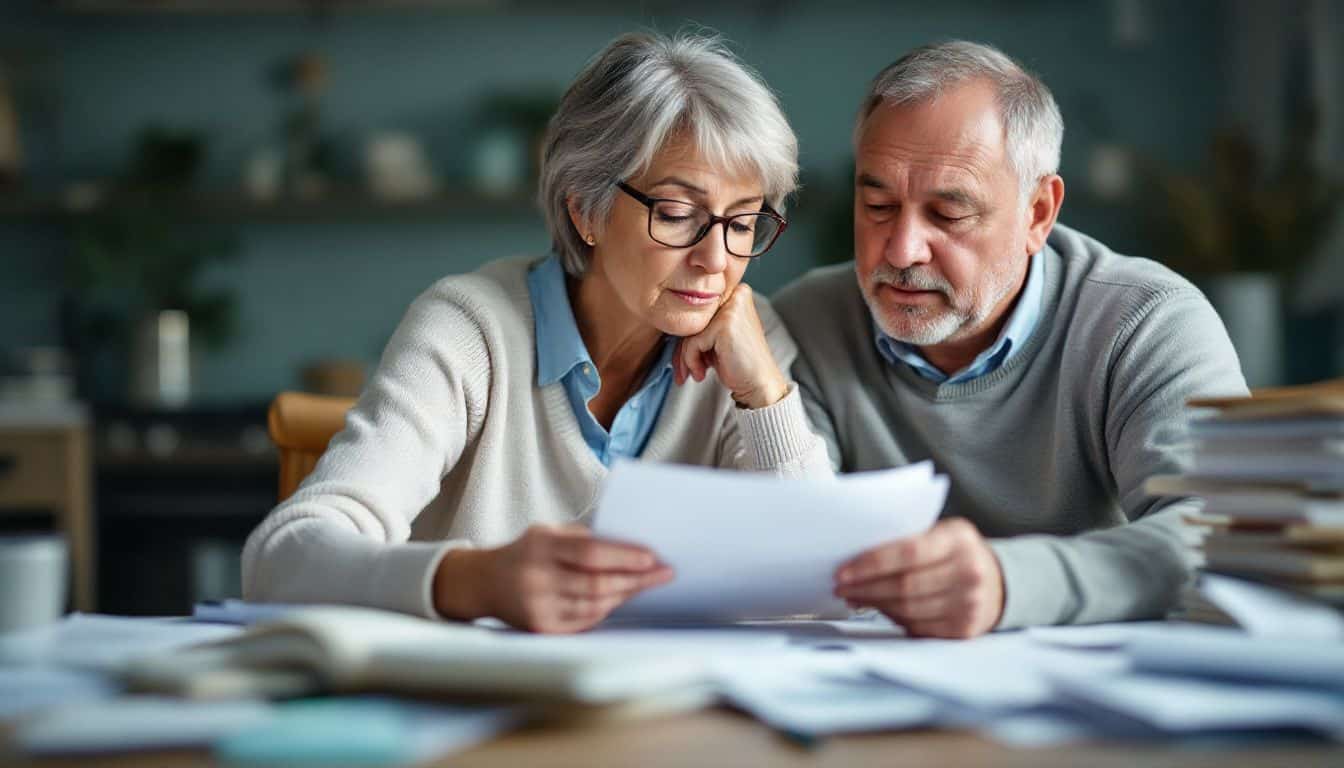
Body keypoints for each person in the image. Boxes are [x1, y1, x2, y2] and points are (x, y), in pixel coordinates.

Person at [243, 32, 830, 634]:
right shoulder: (468, 331)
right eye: (678, 214)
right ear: (586, 211)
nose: (718, 259)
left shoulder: (751, 345)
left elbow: (816, 584)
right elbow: (283, 559)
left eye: (744, 222)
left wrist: (766, 396)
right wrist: (476, 581)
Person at [773, 41, 1248, 638]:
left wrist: (1010, 584)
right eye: (878, 205)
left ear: (1037, 214)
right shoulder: (808, 323)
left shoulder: (1144, 322)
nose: (900, 250)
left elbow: (1223, 532)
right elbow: (787, 558)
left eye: (949, 215)